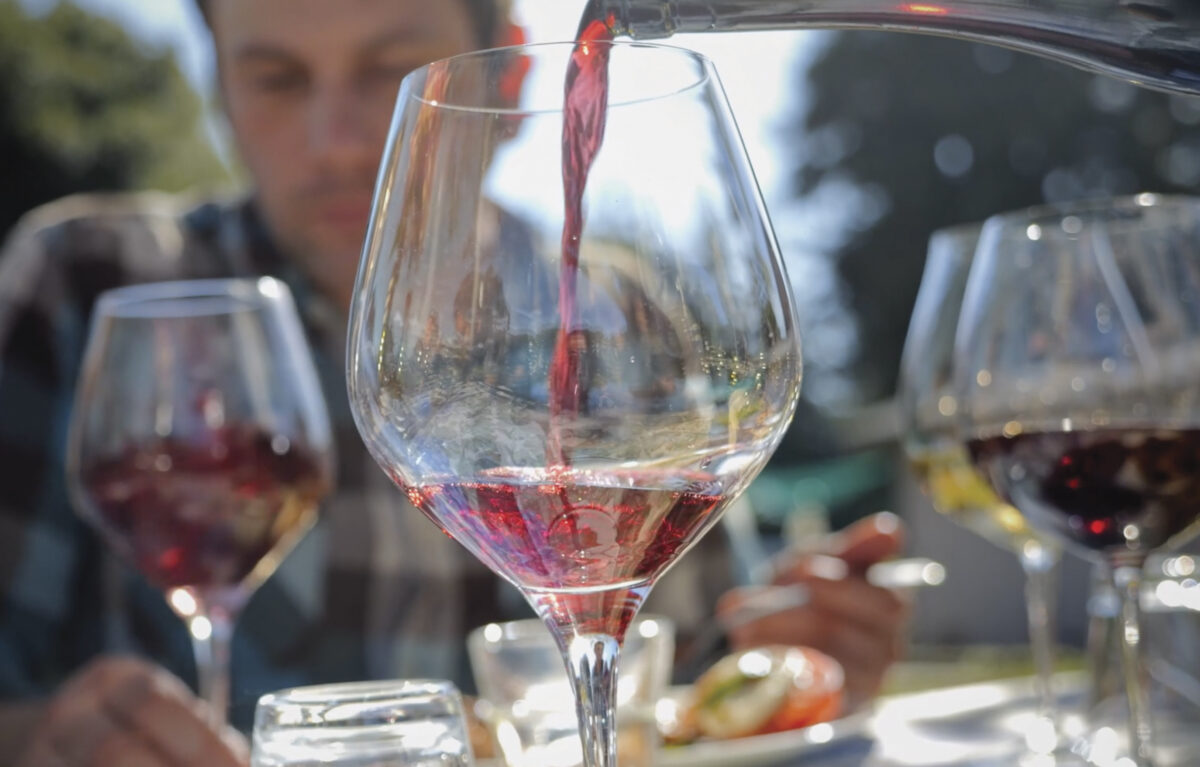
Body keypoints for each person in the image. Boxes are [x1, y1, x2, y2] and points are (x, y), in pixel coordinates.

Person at [0, 0, 908, 763]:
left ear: (510, 80)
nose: (338, 142)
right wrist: (37, 732)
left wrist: (797, 658)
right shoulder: (97, 282)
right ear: (220, 97)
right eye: (277, 80)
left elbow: (690, 679)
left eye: (391, 68)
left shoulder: (628, 316)